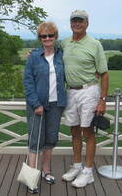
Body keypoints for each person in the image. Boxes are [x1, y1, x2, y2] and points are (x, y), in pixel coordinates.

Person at [61, 10, 109, 188]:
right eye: (74, 21)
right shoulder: (65, 43)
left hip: (89, 91)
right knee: (74, 130)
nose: (77, 23)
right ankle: (76, 166)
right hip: (71, 92)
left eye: (80, 21)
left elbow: (103, 74)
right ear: (71, 23)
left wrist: (102, 100)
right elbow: (50, 53)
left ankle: (88, 172)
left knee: (87, 131)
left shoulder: (94, 44)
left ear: (87, 23)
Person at [23, 22, 67, 193]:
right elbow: (28, 82)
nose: (47, 39)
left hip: (56, 104)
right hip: (38, 106)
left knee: (50, 139)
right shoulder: (33, 56)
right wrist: (36, 103)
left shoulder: (61, 55)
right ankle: (31, 177)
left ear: (55, 37)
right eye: (43, 36)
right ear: (40, 38)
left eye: (50, 35)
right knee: (35, 141)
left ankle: (46, 171)